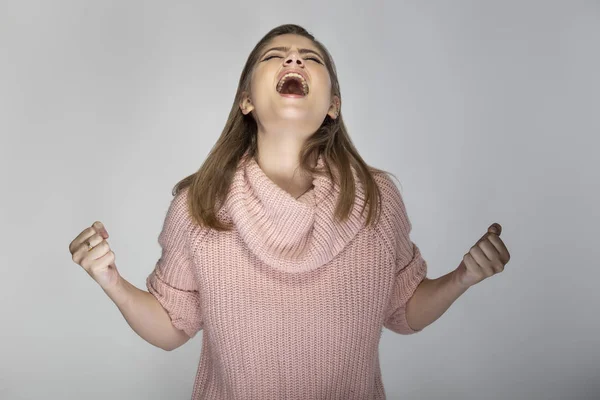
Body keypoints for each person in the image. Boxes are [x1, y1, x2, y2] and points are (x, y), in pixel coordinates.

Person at [68, 24, 511, 399]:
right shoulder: (198, 205)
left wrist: (463, 277)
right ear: (247, 101)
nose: (294, 61)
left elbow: (403, 310)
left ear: (333, 105)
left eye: (310, 59)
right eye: (275, 56)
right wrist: (112, 281)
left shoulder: (378, 200)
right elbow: (171, 327)